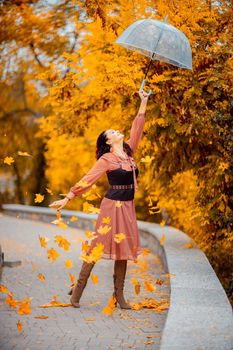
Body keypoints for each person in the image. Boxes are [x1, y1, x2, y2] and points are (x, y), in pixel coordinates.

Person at [49, 89, 149, 309]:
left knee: (123, 251)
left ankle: (119, 297)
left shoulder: (129, 152)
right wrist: (70, 195)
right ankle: (77, 291)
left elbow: (137, 129)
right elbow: (89, 178)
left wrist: (143, 101)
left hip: (128, 207)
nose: (116, 131)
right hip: (112, 207)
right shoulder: (107, 158)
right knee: (97, 247)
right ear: (107, 140)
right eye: (111, 131)